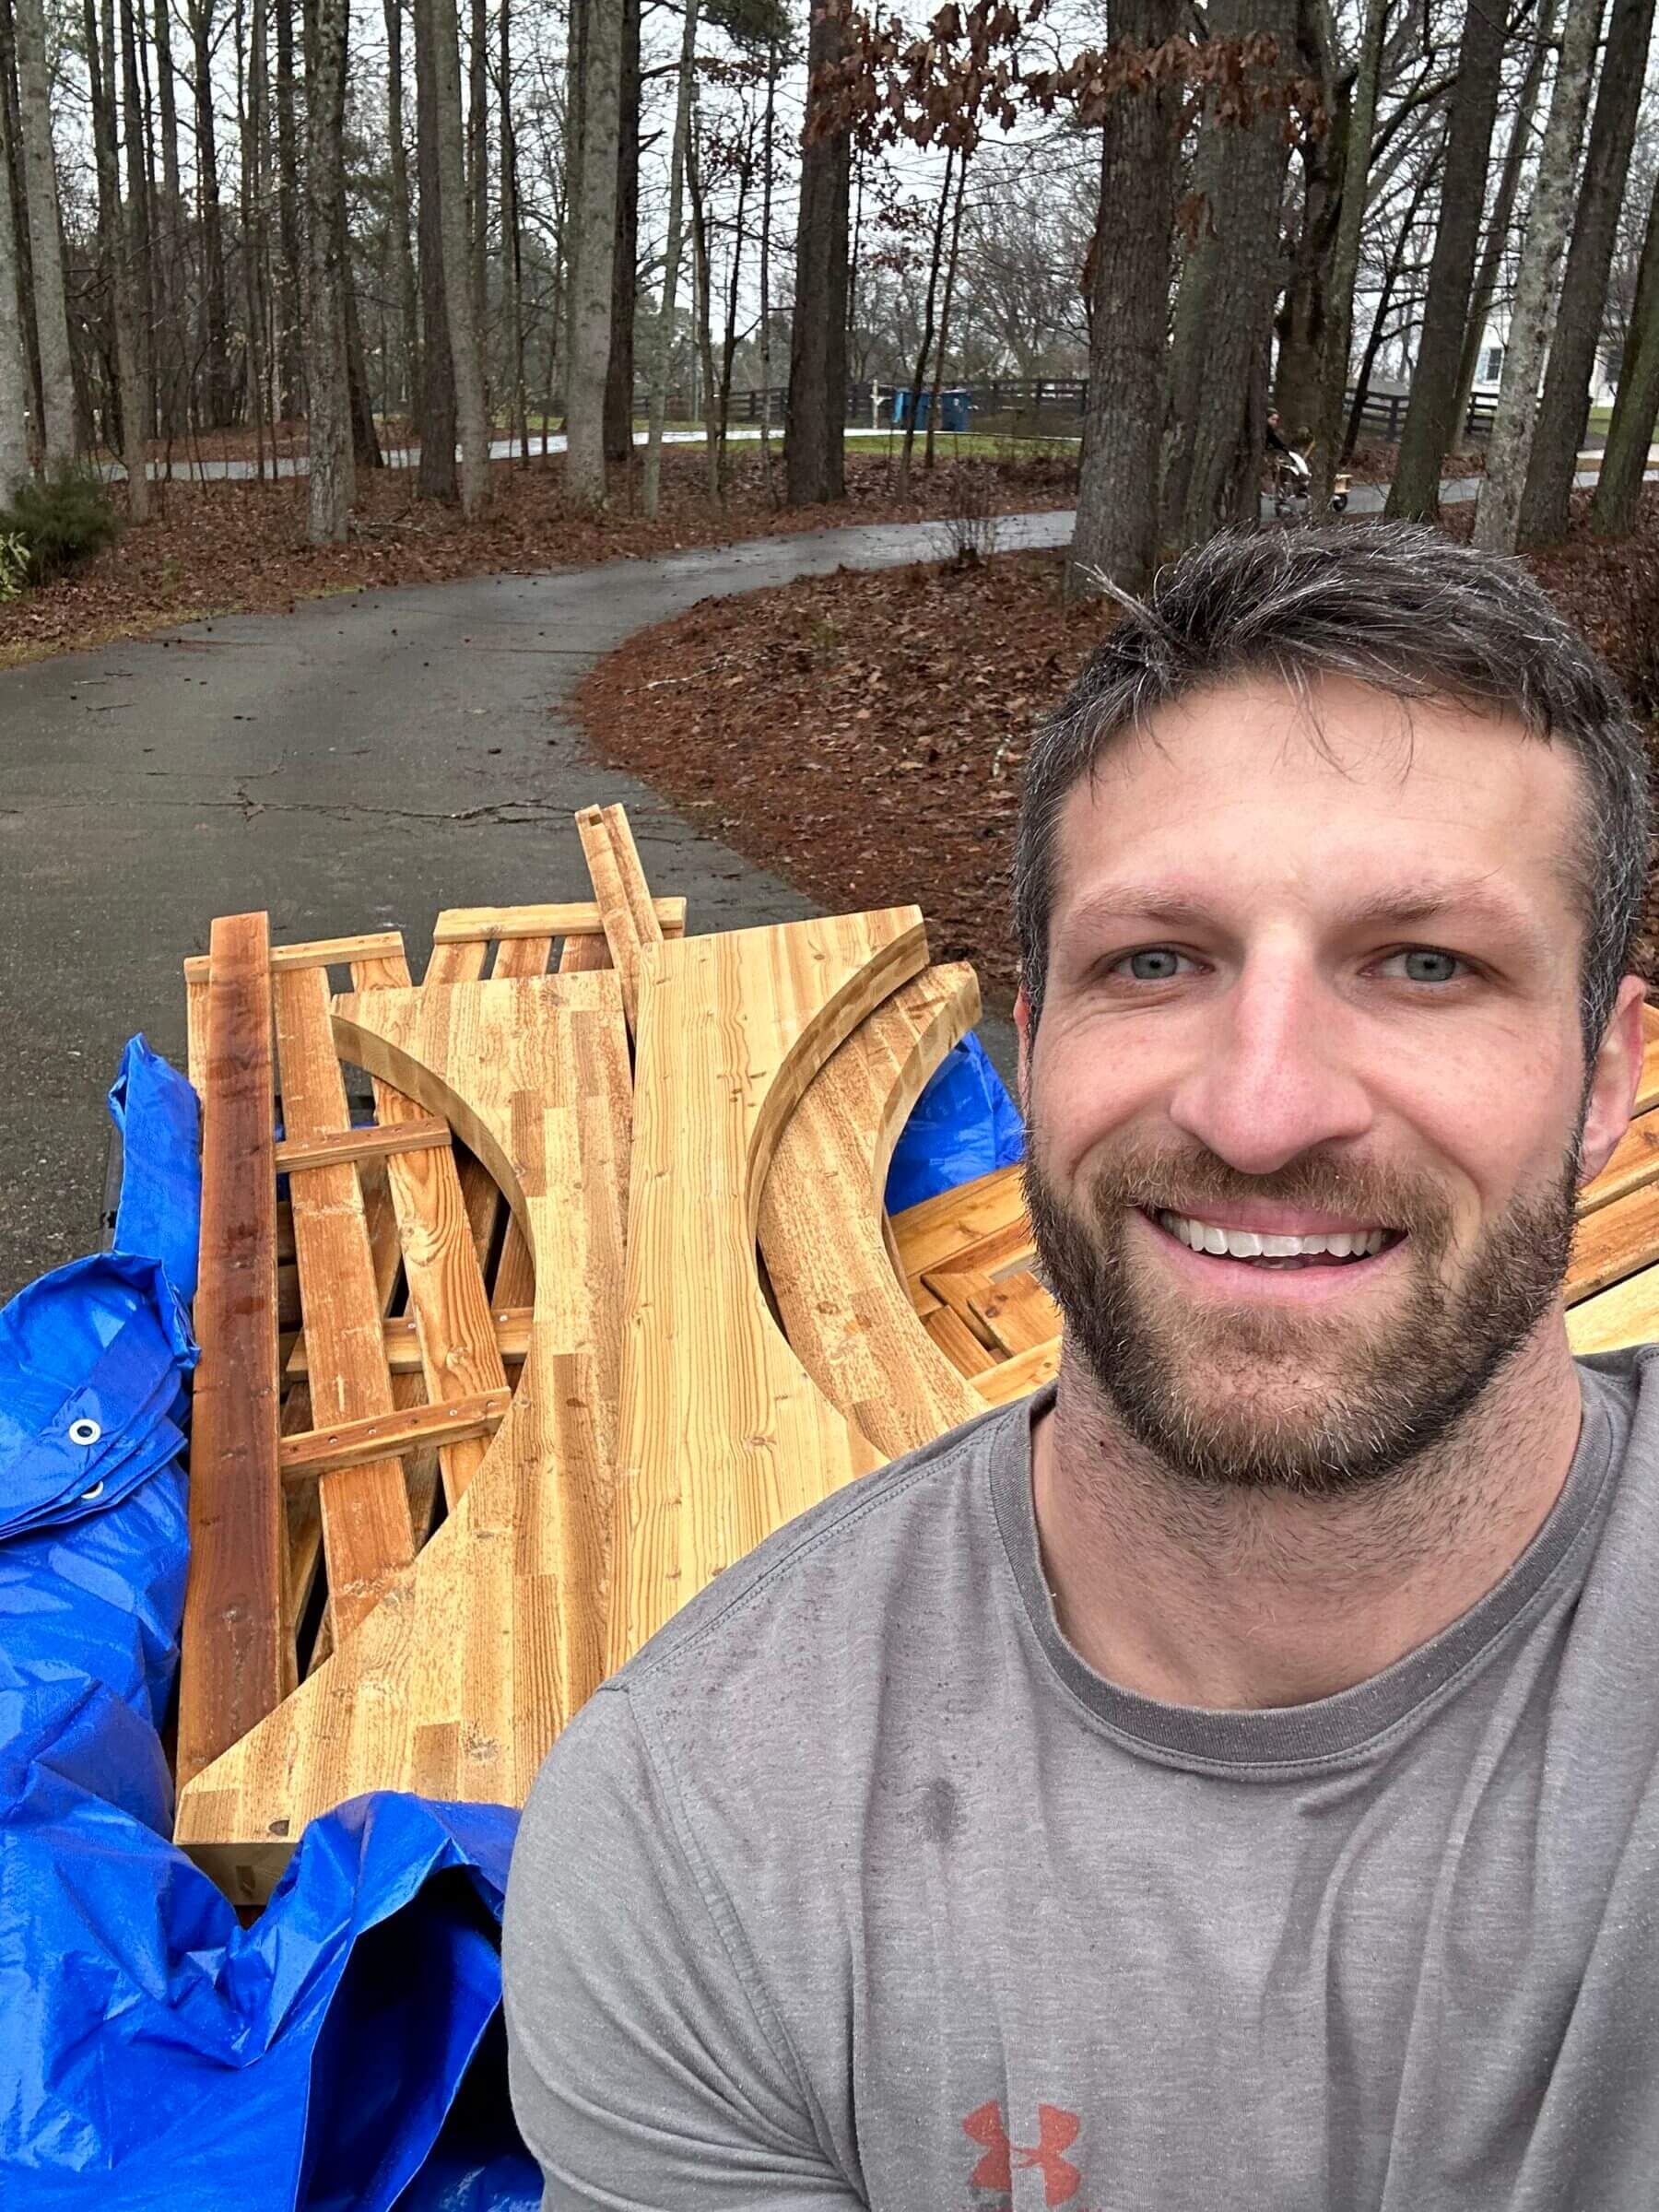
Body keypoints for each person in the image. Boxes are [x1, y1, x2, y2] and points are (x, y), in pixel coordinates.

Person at [502, 521, 1659, 2208]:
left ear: (1609, 1073)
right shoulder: (703, 1834)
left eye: (1427, 965)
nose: (1264, 1109)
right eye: (1158, 964)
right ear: (1030, 1054)